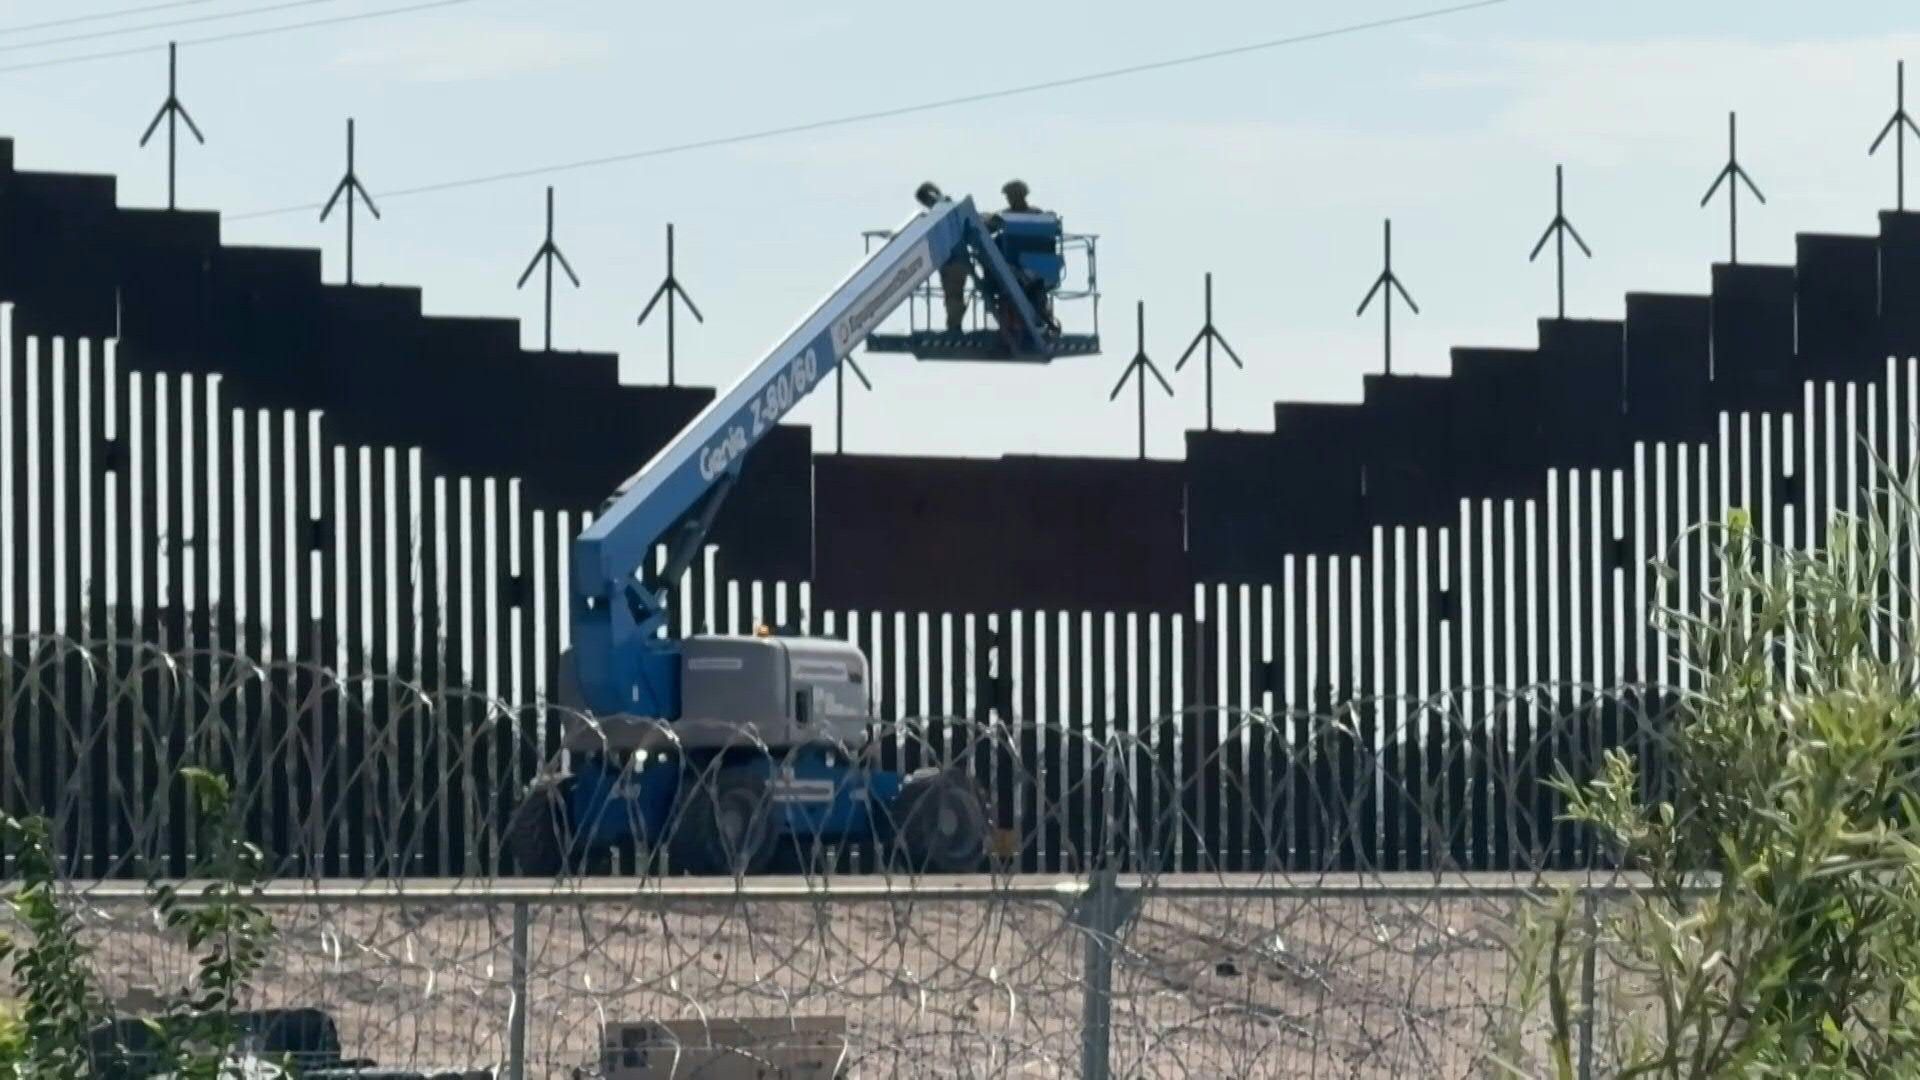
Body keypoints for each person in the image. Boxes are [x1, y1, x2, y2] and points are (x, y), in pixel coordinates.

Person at [940, 180, 1044, 332]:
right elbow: (988, 228)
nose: (1011, 198)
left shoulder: (1035, 215)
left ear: (1022, 195)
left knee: (1031, 294)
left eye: (1013, 195)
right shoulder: (1005, 216)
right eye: (1009, 196)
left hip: (1026, 267)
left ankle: (1036, 318)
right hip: (1012, 267)